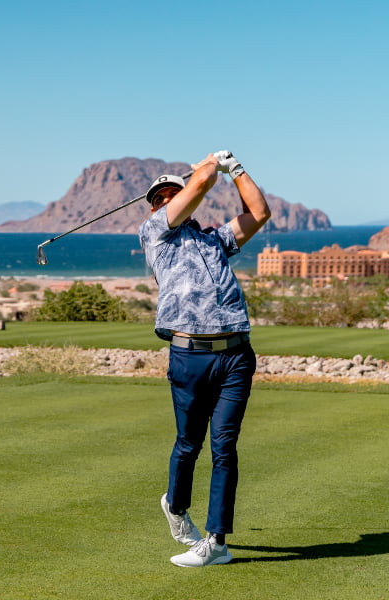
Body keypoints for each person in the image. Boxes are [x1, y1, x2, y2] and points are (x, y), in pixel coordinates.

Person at [137, 150, 271, 567]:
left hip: (235, 356)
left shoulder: (215, 240)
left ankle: (217, 542)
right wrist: (205, 167)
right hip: (189, 355)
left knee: (224, 447)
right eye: (159, 197)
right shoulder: (154, 233)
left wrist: (236, 168)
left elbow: (259, 212)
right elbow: (199, 185)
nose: (165, 200)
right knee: (188, 444)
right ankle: (176, 507)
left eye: (169, 193)